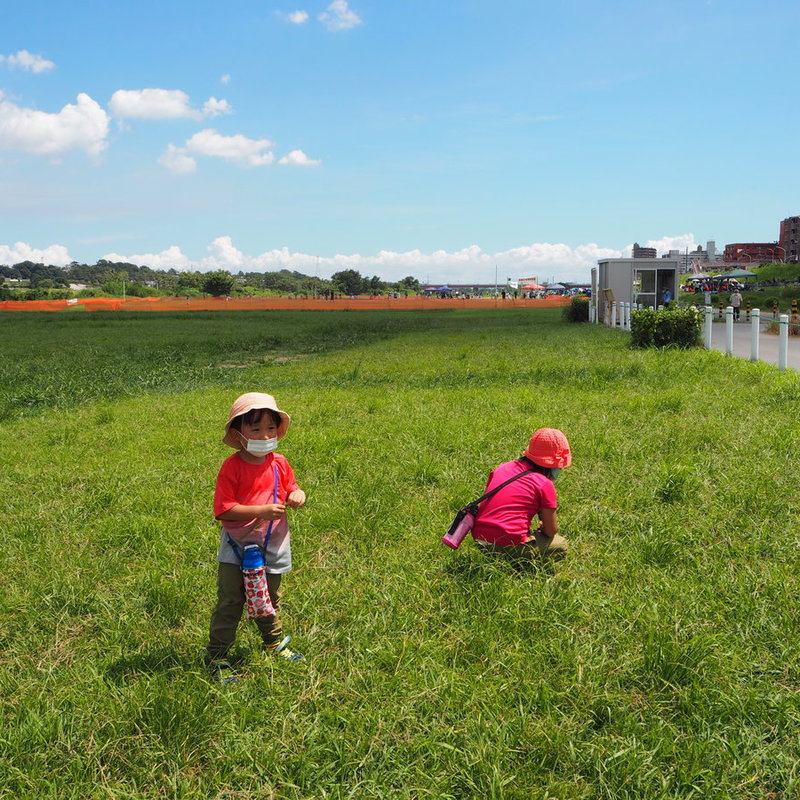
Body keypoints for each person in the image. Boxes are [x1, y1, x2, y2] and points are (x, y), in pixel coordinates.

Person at [207, 392, 307, 677]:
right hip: (237, 546)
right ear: (239, 433)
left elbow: (291, 486)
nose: (264, 436)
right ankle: (218, 655)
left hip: (273, 543)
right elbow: (224, 510)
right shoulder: (232, 467)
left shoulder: (279, 462)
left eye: (271, 428)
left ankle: (273, 641)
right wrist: (260, 510)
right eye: (256, 428)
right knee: (231, 599)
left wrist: (297, 494)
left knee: (269, 596)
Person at [472, 428, 572, 562]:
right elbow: (551, 531)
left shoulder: (503, 467)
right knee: (561, 545)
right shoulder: (544, 483)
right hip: (506, 545)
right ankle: (513, 560)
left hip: (479, 539)